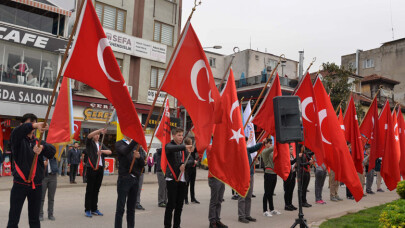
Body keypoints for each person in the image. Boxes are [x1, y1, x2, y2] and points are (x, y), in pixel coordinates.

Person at [7, 113, 56, 228]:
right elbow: (18, 131)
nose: (32, 128)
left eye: (34, 124)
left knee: (34, 220)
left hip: (36, 185)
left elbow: (52, 151)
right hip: (19, 184)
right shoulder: (17, 139)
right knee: (13, 219)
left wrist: (42, 148)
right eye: (30, 124)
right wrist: (35, 125)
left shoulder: (38, 142)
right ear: (22, 124)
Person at [164, 128, 194, 228]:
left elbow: (192, 161)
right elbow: (170, 149)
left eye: (182, 135)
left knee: (179, 205)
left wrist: (184, 164)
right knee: (171, 204)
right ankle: (167, 225)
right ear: (173, 136)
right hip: (172, 178)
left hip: (182, 179)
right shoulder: (169, 146)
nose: (181, 137)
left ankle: (177, 225)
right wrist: (185, 146)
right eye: (178, 135)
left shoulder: (184, 149)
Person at [114, 135, 145, 228]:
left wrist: (139, 157)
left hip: (135, 179)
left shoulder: (138, 146)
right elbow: (125, 151)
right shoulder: (119, 143)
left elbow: (143, 163)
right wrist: (136, 140)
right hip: (124, 178)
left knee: (131, 208)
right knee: (120, 208)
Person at [84, 128, 112, 218]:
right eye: (96, 134)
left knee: (96, 190)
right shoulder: (90, 143)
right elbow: (89, 136)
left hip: (100, 169)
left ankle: (94, 208)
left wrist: (102, 151)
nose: (97, 136)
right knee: (90, 190)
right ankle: (87, 209)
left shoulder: (101, 144)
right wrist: (99, 130)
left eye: (99, 135)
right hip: (91, 168)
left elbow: (110, 152)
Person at [238, 137, 264, 224]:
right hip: (242, 175)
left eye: (245, 141)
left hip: (250, 175)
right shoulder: (238, 151)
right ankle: (241, 216)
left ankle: (247, 214)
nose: (245, 142)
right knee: (242, 196)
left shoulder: (247, 150)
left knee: (249, 196)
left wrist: (262, 143)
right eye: (243, 141)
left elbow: (254, 148)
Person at [262, 138, 281, 217]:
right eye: (268, 143)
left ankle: (272, 209)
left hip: (274, 173)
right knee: (267, 192)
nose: (270, 144)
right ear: (265, 144)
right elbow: (272, 148)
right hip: (268, 173)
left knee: (271, 192)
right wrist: (277, 142)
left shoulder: (272, 152)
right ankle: (265, 210)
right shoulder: (264, 152)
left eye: (271, 143)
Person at [40, 157, 58, 221]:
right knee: (41, 197)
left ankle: (50, 214)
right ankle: (40, 214)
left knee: (51, 197)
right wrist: (43, 164)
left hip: (53, 176)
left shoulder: (54, 153)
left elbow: (57, 159)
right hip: (43, 176)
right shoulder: (41, 153)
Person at [185, 138, 200, 204]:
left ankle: (193, 198)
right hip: (187, 169)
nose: (192, 143)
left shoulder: (193, 149)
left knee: (192, 184)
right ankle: (185, 199)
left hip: (193, 168)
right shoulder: (185, 150)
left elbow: (199, 150)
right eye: (191, 142)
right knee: (186, 184)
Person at [284, 144, 297, 211]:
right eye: (290, 149)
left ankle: (290, 203)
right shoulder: (286, 156)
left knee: (291, 190)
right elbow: (290, 163)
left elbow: (294, 164)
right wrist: (296, 159)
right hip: (287, 174)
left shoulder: (292, 156)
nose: (292, 150)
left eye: (292, 149)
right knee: (287, 190)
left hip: (293, 173)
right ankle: (286, 204)